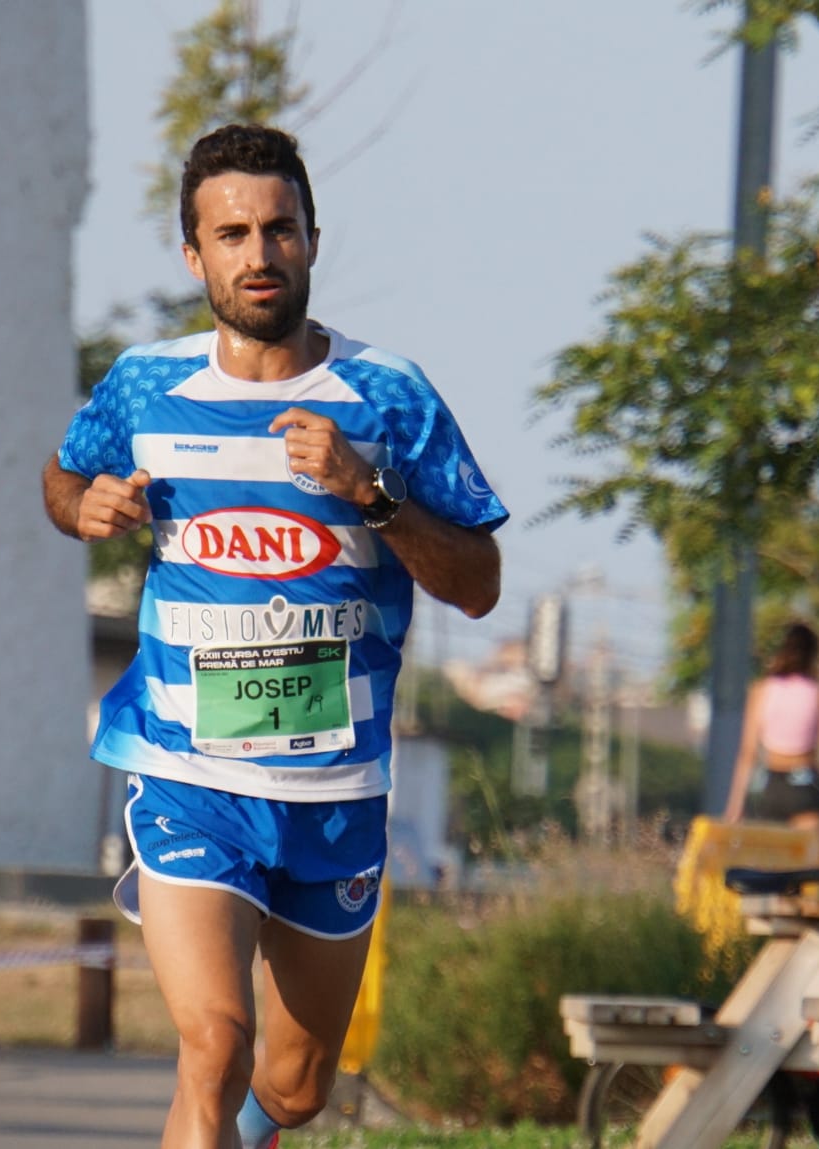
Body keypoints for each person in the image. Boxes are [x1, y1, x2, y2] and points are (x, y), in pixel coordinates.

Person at [40, 124, 505, 1149]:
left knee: (292, 1090)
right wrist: (82, 508)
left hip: (333, 795)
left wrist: (369, 495)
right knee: (213, 1041)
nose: (258, 255)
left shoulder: (388, 397)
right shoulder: (143, 386)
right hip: (188, 772)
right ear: (193, 255)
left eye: (279, 230)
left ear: (311, 240)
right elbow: (62, 476)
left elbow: (478, 583)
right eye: (233, 233)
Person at [723, 622, 819, 836]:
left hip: (771, 785)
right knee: (807, 864)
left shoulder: (761, 690)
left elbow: (748, 753)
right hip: (805, 782)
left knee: (770, 863)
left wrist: (735, 805)